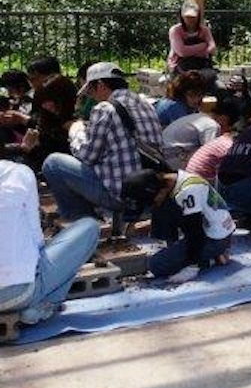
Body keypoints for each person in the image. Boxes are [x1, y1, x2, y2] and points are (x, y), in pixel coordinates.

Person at [42, 63, 164, 224]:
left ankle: (82, 223)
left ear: (101, 85)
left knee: (53, 163)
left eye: (91, 91)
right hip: (147, 189)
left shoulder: (105, 108)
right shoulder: (146, 104)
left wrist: (76, 130)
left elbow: (87, 156)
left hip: (119, 194)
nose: (91, 97)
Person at [0, 160, 100, 326]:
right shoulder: (20, 173)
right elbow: (35, 236)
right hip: (19, 293)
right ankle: (44, 304)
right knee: (89, 228)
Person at [123, 169, 235, 279]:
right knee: (164, 207)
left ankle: (209, 258)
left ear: (161, 190)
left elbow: (195, 234)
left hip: (216, 239)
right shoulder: (177, 179)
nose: (154, 204)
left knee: (157, 265)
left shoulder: (187, 192)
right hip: (211, 229)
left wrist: (192, 266)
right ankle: (185, 252)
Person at [181, 97, 242, 181]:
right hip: (196, 181)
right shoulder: (212, 126)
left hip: (188, 173)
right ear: (224, 118)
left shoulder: (220, 139)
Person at [167, 0, 217, 75]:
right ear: (182, 16)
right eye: (187, 17)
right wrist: (202, 46)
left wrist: (190, 50)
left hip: (202, 66)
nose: (190, 20)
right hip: (179, 67)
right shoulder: (175, 30)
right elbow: (181, 52)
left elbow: (212, 49)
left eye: (193, 17)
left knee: (219, 86)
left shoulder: (205, 30)